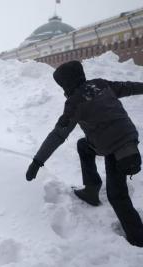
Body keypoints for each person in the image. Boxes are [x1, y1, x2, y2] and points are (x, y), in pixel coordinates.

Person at [26, 60, 143, 247]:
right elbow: (128, 87)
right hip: (128, 136)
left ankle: (138, 239)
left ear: (66, 83)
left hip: (115, 147)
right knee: (83, 145)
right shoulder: (101, 84)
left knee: (117, 195)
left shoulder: (74, 103)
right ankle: (91, 189)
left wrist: (37, 161)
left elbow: (58, 134)